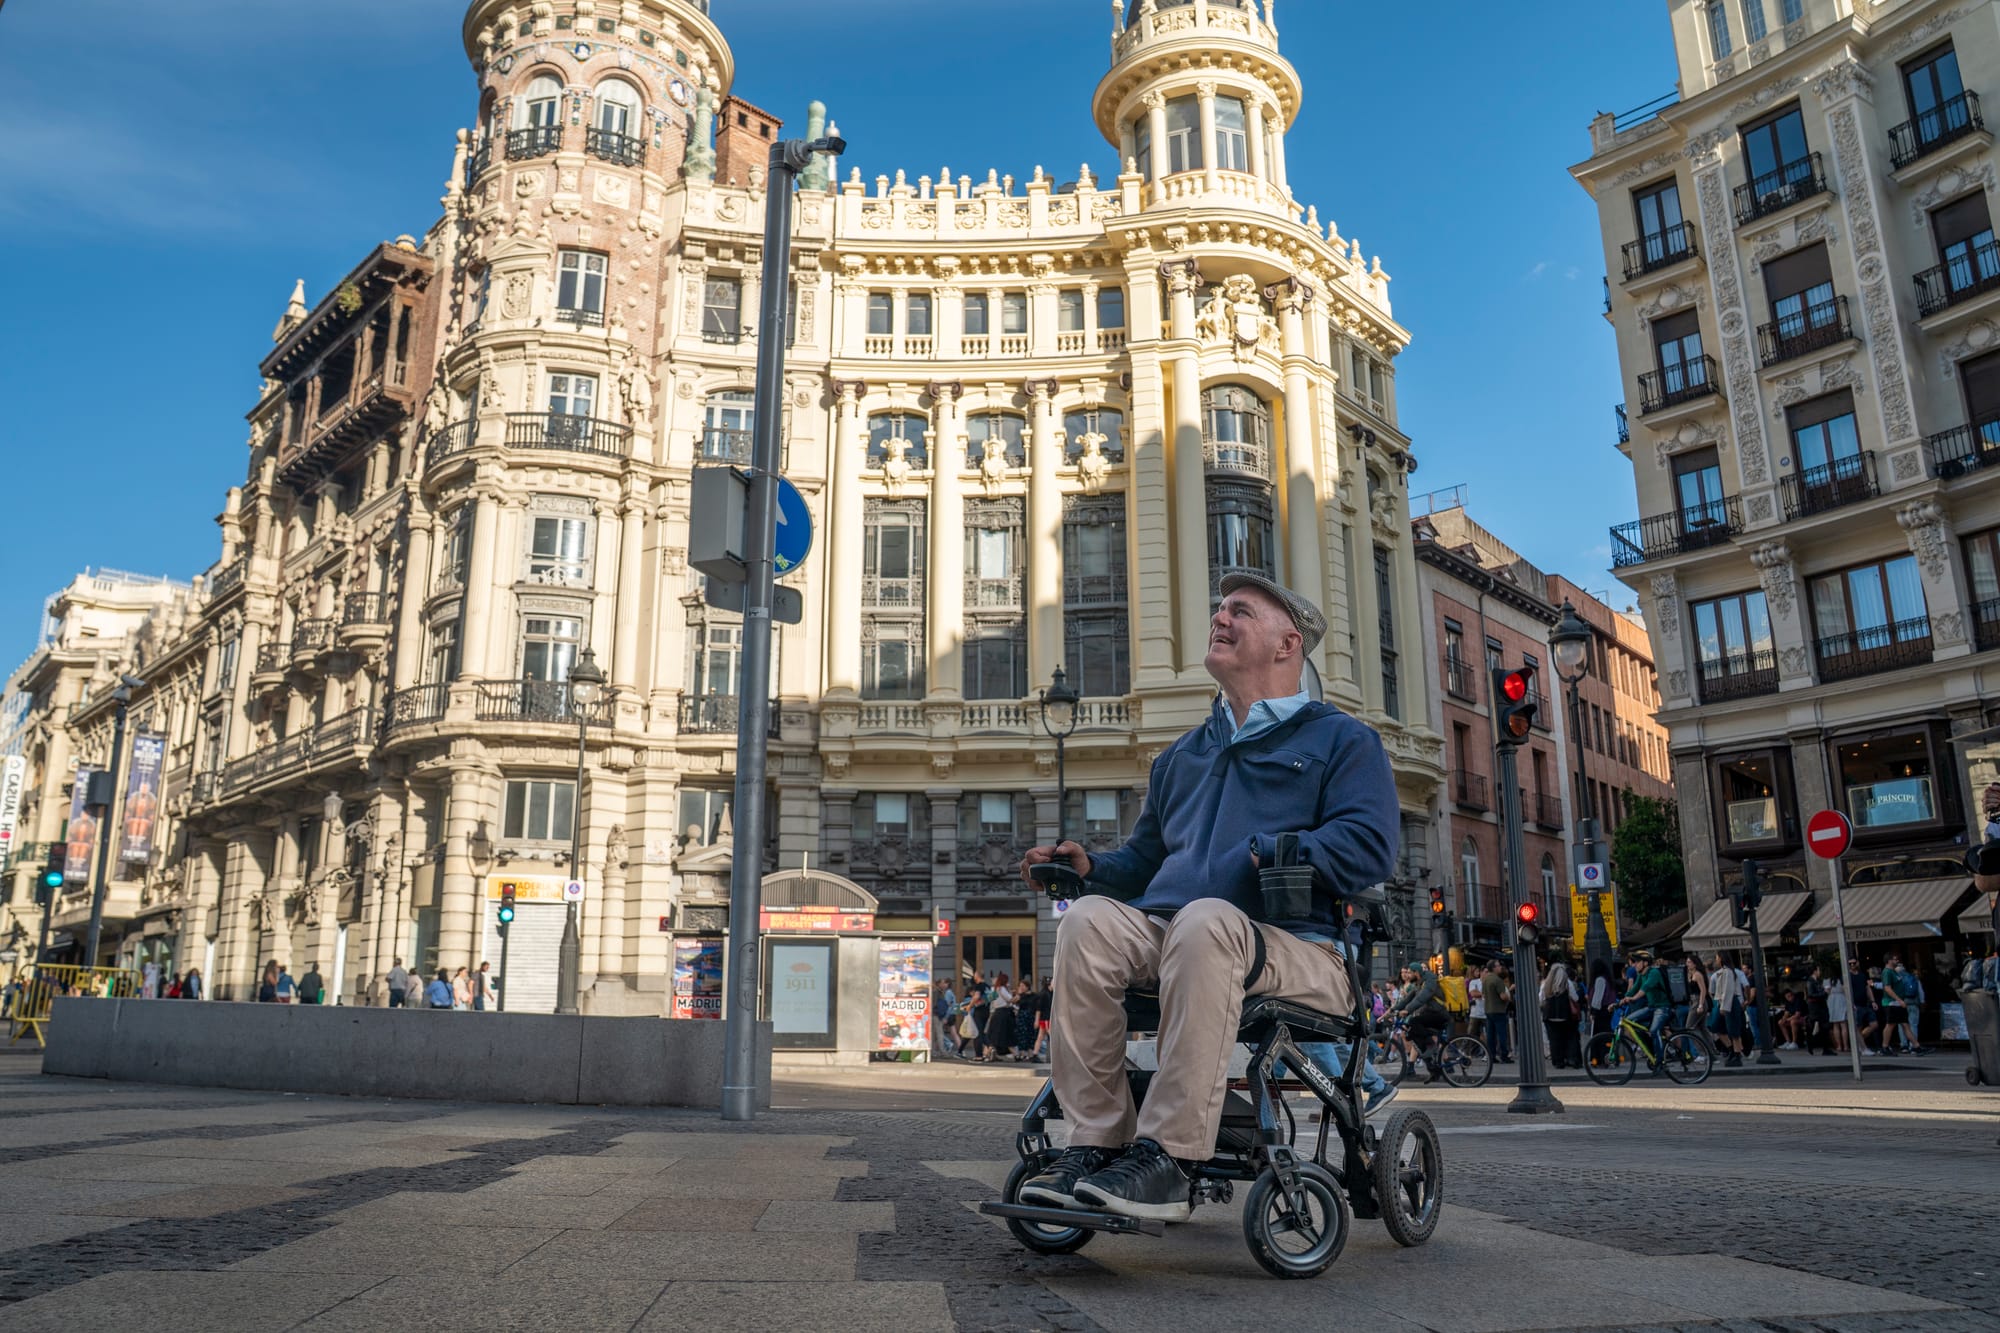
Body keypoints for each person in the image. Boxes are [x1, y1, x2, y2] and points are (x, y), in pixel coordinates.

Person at [1015, 573, 1395, 1222]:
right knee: (1088, 922)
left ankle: (1169, 1154)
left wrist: (1290, 849)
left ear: (1286, 644)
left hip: (1301, 950)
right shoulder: (1182, 756)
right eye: (1218, 607)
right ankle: (1095, 1140)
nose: (1219, 617)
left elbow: (1370, 846)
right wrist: (1093, 867)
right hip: (1183, 935)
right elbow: (1146, 864)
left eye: (1239, 611)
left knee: (1206, 920)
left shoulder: (1340, 740)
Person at [1621, 950, 1671, 1049]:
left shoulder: (1654, 973)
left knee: (1653, 1031)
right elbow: (1634, 989)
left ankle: (1659, 1061)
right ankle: (1648, 1048)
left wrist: (1634, 998)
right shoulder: (1641, 975)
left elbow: (1646, 988)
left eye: (1637, 962)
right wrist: (1622, 1000)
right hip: (1651, 1007)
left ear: (1645, 963)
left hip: (1662, 1008)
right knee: (1628, 1021)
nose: (1634, 965)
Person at [1541, 960, 1581, 1069]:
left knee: (1554, 1039)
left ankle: (1557, 1061)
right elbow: (1576, 998)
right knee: (1569, 1037)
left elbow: (1541, 999)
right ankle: (1571, 1058)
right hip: (1565, 1014)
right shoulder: (1568, 983)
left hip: (1549, 1015)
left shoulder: (1545, 984)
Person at [1708, 952, 1745, 1067]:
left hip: (1729, 1003)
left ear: (1722, 959)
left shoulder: (1728, 972)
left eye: (1717, 958)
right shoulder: (1722, 972)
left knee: (1733, 1030)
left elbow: (1728, 990)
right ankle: (1732, 1050)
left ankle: (1737, 1054)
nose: (1716, 960)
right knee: (1716, 1027)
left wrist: (1724, 1007)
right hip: (1723, 1002)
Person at [983, 973, 1016, 1062]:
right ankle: (1015, 1054)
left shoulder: (993, 989)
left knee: (993, 1034)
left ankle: (988, 1054)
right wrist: (1017, 996)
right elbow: (1010, 1000)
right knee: (1003, 1034)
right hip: (1003, 1013)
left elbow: (990, 1001)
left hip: (996, 1012)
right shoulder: (1002, 989)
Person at [1486, 964, 1514, 1063]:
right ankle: (1504, 1055)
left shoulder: (1486, 980)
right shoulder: (1498, 980)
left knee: (1490, 1035)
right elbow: (1503, 996)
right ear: (1493, 968)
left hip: (1488, 1010)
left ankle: (1491, 1055)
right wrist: (1508, 997)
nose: (1500, 967)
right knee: (1502, 1034)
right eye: (1498, 966)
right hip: (1499, 1010)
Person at [1825, 959, 1851, 1053]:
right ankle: (1846, 1046)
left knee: (1835, 1024)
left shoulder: (1828, 980)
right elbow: (1846, 990)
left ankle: (1839, 1046)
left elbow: (1827, 991)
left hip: (1832, 1000)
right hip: (1841, 999)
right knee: (1843, 1024)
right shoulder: (1842, 978)